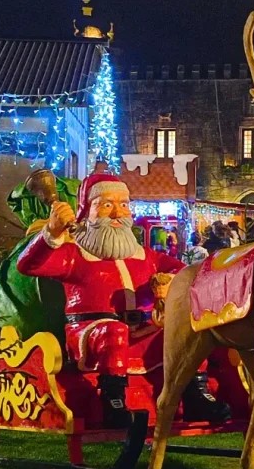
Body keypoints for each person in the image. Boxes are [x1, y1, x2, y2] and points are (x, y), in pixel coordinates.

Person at [17, 172, 230, 429]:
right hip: (92, 335)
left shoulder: (146, 256)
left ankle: (195, 393)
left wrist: (170, 282)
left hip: (141, 332)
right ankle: (113, 399)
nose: (118, 213)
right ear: (88, 211)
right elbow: (29, 265)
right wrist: (51, 232)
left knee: (185, 330)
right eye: (107, 205)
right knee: (114, 331)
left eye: (124, 205)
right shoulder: (74, 255)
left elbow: (185, 272)